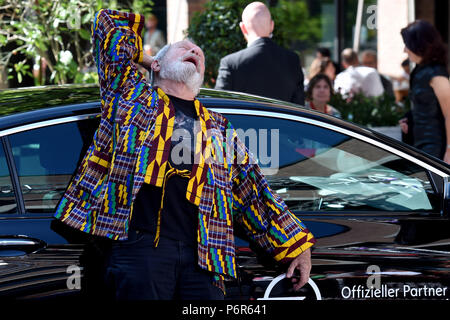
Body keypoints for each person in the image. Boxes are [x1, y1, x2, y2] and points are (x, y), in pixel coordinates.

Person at [54, 9, 316, 300]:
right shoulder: (131, 99)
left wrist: (297, 247)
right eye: (184, 48)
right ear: (157, 63)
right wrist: (146, 59)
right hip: (142, 252)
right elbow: (108, 24)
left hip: (205, 258)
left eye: (198, 53)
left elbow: (252, 193)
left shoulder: (218, 126)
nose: (193, 50)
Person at [215, 2, 305, 105]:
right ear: (272, 25)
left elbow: (218, 109)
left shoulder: (231, 63)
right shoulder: (292, 60)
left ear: (243, 28)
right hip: (282, 121)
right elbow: (299, 107)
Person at [400, 20, 450, 163]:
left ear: (419, 45)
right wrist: (410, 119)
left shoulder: (436, 74)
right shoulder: (419, 70)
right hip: (421, 146)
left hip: (435, 149)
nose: (405, 50)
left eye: (407, 45)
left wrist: (449, 150)